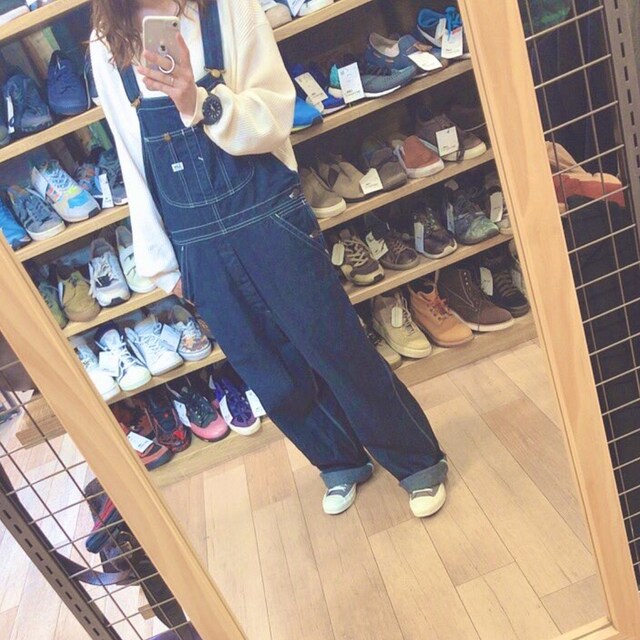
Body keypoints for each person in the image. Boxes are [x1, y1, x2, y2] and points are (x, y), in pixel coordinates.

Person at [90, 0, 448, 517]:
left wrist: (198, 99)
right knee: (266, 367)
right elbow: (132, 159)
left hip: (266, 210)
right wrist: (163, 263)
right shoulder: (107, 45)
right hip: (194, 238)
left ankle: (416, 461)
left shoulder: (225, 9)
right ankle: (339, 461)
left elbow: (276, 113)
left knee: (336, 343)